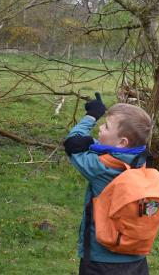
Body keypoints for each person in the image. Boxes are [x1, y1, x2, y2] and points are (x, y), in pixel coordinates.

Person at [63, 93, 153, 275]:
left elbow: (73, 143)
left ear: (122, 142)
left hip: (101, 259)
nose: (100, 128)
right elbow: (112, 150)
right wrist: (94, 143)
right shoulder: (142, 160)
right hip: (136, 256)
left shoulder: (100, 168)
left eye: (106, 126)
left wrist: (91, 116)